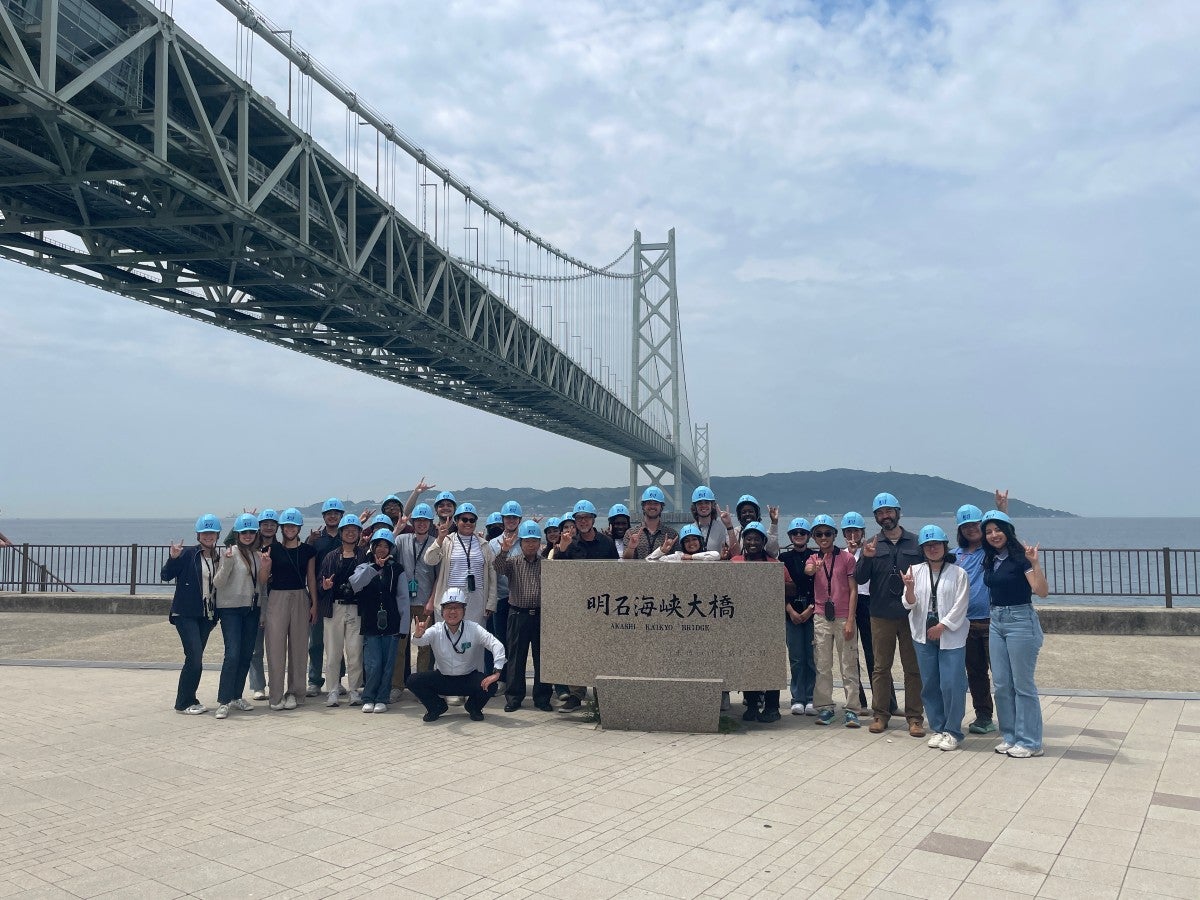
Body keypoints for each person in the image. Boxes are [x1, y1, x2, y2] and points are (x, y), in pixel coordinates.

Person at [855, 492, 926, 737]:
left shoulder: (916, 543)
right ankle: (880, 715)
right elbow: (861, 578)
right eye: (880, 513)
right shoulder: (873, 544)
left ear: (898, 512)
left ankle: (915, 717)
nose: (885, 516)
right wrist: (866, 557)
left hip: (911, 615)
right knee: (880, 668)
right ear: (876, 517)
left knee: (913, 668)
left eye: (889, 511)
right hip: (880, 614)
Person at [982, 510, 1049, 758]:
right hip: (996, 620)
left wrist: (1035, 563)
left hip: (1020, 620)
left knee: (1023, 685)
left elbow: (1041, 591)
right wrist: (1000, 507)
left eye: (998, 529)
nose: (993, 535)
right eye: (988, 532)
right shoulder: (991, 559)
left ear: (1008, 531)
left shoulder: (1021, 558)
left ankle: (1031, 742)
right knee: (1001, 684)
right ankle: (1010, 736)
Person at [902, 525, 971, 751]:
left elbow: (961, 605)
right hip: (922, 636)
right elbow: (909, 603)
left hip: (950, 635)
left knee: (952, 684)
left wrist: (942, 625)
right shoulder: (914, 570)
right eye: (928, 545)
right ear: (922, 548)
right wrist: (910, 588)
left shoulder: (958, 573)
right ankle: (938, 727)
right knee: (930, 684)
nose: (933, 549)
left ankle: (953, 731)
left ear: (944, 546)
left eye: (937, 544)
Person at [408, 588, 507, 722]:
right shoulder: (436, 629)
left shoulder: (474, 628)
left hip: (468, 678)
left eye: (457, 607)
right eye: (448, 607)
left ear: (464, 610)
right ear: (442, 611)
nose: (453, 611)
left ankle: (473, 707)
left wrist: (496, 672)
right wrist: (418, 634)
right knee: (413, 681)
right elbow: (419, 641)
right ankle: (436, 707)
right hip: (443, 678)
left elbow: (496, 645)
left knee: (492, 685)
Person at [732, 521, 794, 723]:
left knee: (771, 664)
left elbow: (792, 589)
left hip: (770, 622)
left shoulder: (775, 565)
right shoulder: (735, 561)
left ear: (763, 541)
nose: (752, 542)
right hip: (743, 623)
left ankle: (772, 707)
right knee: (747, 663)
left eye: (756, 539)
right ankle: (751, 705)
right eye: (748, 538)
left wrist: (771, 582)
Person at [211, 514, 271, 719]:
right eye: (244, 532)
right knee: (233, 654)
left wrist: (262, 611)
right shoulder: (230, 553)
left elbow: (261, 585)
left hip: (251, 609)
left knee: (246, 654)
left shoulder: (256, 554)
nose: (248, 535)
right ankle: (224, 700)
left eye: (251, 532)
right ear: (237, 534)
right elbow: (218, 583)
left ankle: (236, 695)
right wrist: (226, 564)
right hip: (231, 610)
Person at [805, 515, 863, 728]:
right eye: (818, 534)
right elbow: (808, 570)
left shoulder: (846, 558)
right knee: (823, 665)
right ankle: (825, 708)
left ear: (834, 535)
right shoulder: (813, 558)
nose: (823, 538)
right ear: (814, 537)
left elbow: (854, 589)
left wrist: (850, 620)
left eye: (827, 533)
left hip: (843, 617)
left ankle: (852, 710)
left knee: (848, 665)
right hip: (821, 617)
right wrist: (815, 568)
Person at [162, 514, 223, 714]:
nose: (209, 536)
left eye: (212, 532)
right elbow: (165, 576)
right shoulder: (188, 554)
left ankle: (191, 699)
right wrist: (173, 558)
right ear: (198, 535)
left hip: (206, 615)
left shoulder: (218, 558)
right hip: (186, 613)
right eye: (205, 533)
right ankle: (183, 703)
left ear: (217, 535)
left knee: (196, 657)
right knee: (194, 656)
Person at [494, 520, 554, 712]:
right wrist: (504, 550)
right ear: (521, 543)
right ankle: (513, 698)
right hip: (517, 614)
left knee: (541, 658)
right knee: (515, 659)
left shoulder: (545, 564)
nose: (531, 544)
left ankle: (542, 698)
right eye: (527, 541)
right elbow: (498, 568)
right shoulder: (513, 562)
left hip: (540, 615)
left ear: (539, 543)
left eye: (534, 541)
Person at [349, 529, 409, 713]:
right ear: (373, 547)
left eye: (386, 546)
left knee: (388, 663)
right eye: (379, 545)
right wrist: (375, 567)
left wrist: (404, 626)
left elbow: (403, 599)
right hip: (370, 622)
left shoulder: (397, 569)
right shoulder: (364, 566)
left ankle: (382, 697)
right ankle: (368, 696)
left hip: (391, 622)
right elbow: (355, 584)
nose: (382, 549)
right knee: (372, 663)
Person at [264, 508, 317, 710]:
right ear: (281, 528)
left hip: (301, 597)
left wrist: (314, 603)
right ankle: (275, 695)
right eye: (287, 526)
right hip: (276, 597)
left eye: (293, 526)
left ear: (299, 528)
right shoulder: (271, 550)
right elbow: (262, 581)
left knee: (299, 647)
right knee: (275, 647)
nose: (290, 529)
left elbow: (311, 578)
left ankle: (296, 692)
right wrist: (265, 566)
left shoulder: (308, 551)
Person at [318, 513, 366, 707]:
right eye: (347, 530)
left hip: (356, 608)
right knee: (333, 652)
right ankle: (332, 690)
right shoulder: (331, 556)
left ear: (359, 533)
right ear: (341, 533)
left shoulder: (363, 555)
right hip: (334, 607)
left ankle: (354, 690)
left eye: (354, 530)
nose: (350, 533)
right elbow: (321, 583)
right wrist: (326, 586)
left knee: (355, 652)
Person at [425, 502, 496, 627]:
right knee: (448, 637)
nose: (468, 523)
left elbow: (492, 575)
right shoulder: (447, 541)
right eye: (464, 519)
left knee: (474, 638)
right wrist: (440, 539)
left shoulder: (484, 545)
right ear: (456, 521)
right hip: (450, 595)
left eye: (471, 520)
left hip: (477, 597)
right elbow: (429, 560)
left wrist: (491, 602)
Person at [393, 502, 440, 689]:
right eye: (418, 520)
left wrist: (431, 601)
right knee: (399, 647)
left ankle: (422, 686)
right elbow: (385, 546)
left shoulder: (435, 544)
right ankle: (396, 686)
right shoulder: (402, 539)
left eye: (425, 521)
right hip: (403, 601)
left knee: (425, 647)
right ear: (412, 522)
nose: (421, 524)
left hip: (425, 602)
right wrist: (397, 528)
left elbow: (439, 576)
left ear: (430, 523)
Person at [305, 497, 346, 697]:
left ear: (341, 516)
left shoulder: (346, 536)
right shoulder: (315, 539)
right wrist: (308, 541)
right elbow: (306, 566)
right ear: (323, 516)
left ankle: (337, 680)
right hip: (319, 596)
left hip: (340, 596)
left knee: (337, 641)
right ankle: (314, 680)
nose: (332, 516)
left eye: (336, 513)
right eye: (329, 513)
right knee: (316, 641)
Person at [779, 518, 817, 716]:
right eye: (795, 533)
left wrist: (810, 609)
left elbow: (820, 587)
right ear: (790, 536)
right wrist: (790, 611)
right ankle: (797, 698)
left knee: (812, 658)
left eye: (803, 532)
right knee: (796, 657)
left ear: (808, 536)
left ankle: (812, 698)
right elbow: (778, 588)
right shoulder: (783, 558)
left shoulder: (816, 557)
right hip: (790, 612)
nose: (799, 536)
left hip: (813, 612)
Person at [247, 509, 279, 700]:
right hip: (254, 600)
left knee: (275, 647)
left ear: (277, 527)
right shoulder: (249, 547)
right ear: (259, 526)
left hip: (275, 600)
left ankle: (276, 684)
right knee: (255, 648)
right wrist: (246, 519)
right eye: (265, 523)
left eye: (272, 524)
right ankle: (258, 685)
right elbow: (229, 543)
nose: (268, 527)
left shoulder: (282, 547)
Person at [488, 499, 524, 666]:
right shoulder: (493, 544)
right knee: (500, 639)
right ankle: (501, 678)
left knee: (518, 642)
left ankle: (515, 679)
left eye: (514, 518)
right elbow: (489, 573)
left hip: (520, 600)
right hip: (500, 599)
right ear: (503, 519)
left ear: (519, 520)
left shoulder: (526, 542)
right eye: (508, 517)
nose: (511, 520)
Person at [623, 486, 678, 560]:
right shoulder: (631, 533)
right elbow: (625, 561)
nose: (652, 506)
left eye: (655, 503)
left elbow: (678, 560)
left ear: (661, 507)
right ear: (643, 506)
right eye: (649, 503)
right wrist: (631, 548)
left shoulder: (672, 534)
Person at [646, 524, 720, 561]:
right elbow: (649, 559)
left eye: (694, 539)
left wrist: (691, 557)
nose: (691, 543)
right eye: (687, 541)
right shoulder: (678, 556)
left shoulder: (707, 554)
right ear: (682, 544)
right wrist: (662, 551)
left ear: (700, 541)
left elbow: (716, 555)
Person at [689, 486, 728, 554]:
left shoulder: (722, 528)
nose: (703, 505)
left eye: (706, 502)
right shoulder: (690, 529)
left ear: (712, 505)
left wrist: (729, 525)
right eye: (700, 503)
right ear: (695, 507)